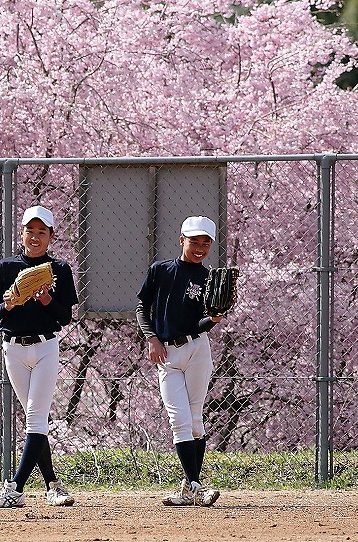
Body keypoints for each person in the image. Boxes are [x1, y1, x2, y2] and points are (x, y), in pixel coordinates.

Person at [0, 205, 79, 508]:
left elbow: (65, 317)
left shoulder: (59, 269)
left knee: (35, 420)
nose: (35, 236)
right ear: (22, 232)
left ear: (51, 235)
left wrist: (47, 299)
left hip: (45, 348)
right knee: (34, 420)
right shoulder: (5, 267)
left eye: (42, 232)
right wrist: (9, 305)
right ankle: (53, 484)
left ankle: (15, 489)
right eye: (30, 230)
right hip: (13, 348)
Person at [135, 216, 223, 507]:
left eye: (205, 243)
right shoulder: (160, 270)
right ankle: (196, 486)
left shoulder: (208, 277)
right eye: (194, 241)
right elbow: (141, 307)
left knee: (195, 418)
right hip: (167, 353)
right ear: (181, 239)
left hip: (197, 348)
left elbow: (199, 322)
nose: (199, 247)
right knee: (178, 419)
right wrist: (152, 338)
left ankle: (190, 487)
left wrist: (212, 319)